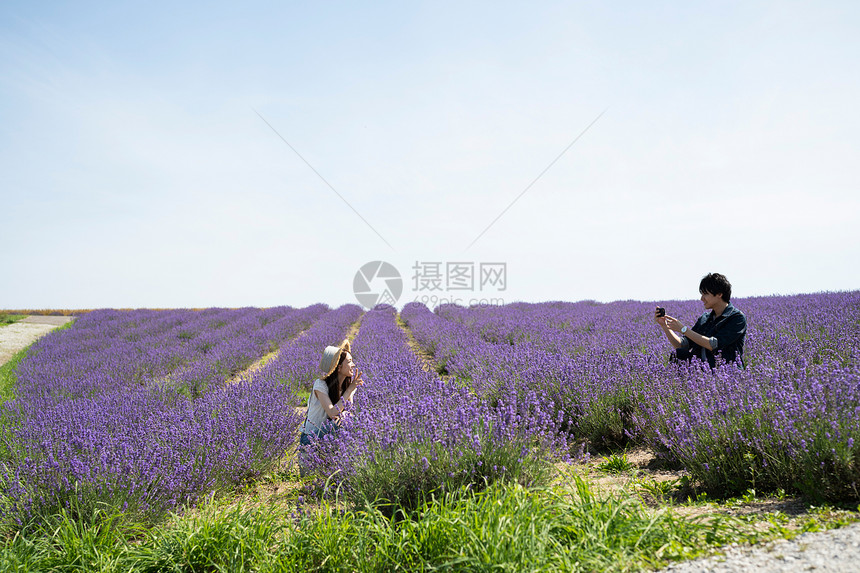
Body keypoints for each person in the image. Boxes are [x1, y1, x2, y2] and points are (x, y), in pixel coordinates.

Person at [655, 273, 747, 368]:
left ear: (719, 294)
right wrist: (665, 326)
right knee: (679, 353)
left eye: (705, 294)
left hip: (726, 374)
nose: (702, 298)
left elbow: (714, 344)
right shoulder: (705, 318)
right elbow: (682, 345)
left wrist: (684, 329)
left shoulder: (736, 318)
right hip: (702, 371)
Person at [299, 339, 365, 447]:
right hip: (311, 438)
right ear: (339, 368)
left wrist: (345, 414)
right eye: (349, 362)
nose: (353, 365)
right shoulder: (320, 385)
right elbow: (333, 413)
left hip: (330, 435)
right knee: (338, 423)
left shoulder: (347, 386)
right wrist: (350, 389)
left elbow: (349, 410)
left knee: (356, 420)